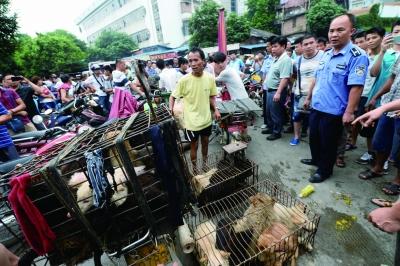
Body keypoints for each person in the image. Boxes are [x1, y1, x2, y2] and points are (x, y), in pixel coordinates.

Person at [301, 13, 369, 183]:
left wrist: (349, 111)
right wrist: (309, 97)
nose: (334, 34)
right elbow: (317, 78)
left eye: (340, 30)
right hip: (317, 106)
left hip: (334, 110)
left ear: (351, 31)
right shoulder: (327, 54)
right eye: (331, 31)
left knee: (329, 143)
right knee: (314, 137)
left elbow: (357, 86)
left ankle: (325, 170)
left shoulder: (357, 56)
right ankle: (316, 160)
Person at [169, 47, 220, 164]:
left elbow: (211, 96)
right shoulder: (184, 80)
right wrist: (171, 110)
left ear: (203, 61)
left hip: (206, 120)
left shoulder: (209, 78)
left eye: (196, 60)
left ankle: (205, 164)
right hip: (191, 123)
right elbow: (173, 96)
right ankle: (196, 169)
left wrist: (216, 110)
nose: (192, 64)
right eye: (190, 61)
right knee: (194, 146)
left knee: (206, 144)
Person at [348, 27, 384, 164]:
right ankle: (370, 152)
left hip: (377, 97)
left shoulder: (387, 56)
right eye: (368, 39)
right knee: (367, 126)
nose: (370, 41)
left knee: (376, 128)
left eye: (373, 38)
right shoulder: (366, 57)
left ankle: (381, 157)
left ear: (382, 38)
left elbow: (375, 74)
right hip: (364, 95)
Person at [290, 35, 324, 146]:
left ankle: (314, 140)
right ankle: (296, 136)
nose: (309, 46)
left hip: (317, 94)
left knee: (314, 119)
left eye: (311, 43)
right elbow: (294, 75)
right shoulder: (297, 60)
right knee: (297, 117)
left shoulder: (324, 56)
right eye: (305, 44)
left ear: (316, 43)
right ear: (302, 46)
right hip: (300, 94)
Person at [263, 36, 293, 141]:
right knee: (269, 112)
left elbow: (285, 78)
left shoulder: (285, 60)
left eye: (275, 46)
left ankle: (277, 132)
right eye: (272, 46)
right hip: (270, 90)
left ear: (283, 46)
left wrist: (278, 93)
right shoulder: (276, 59)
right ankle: (271, 128)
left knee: (276, 113)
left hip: (276, 91)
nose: (273, 49)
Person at [261, 37, 275, 130]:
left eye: (268, 46)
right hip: (266, 87)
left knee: (274, 109)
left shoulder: (280, 58)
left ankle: (275, 127)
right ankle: (268, 124)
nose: (267, 48)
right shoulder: (267, 59)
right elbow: (264, 73)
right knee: (266, 107)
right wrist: (263, 85)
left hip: (275, 87)